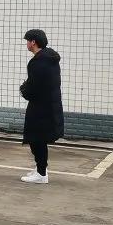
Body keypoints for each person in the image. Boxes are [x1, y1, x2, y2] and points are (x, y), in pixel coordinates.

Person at [19, 28, 65, 184]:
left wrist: (23, 90)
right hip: (49, 105)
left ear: (33, 42)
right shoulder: (50, 59)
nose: (26, 43)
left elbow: (33, 87)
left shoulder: (38, 62)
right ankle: (41, 169)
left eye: (27, 41)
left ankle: (41, 174)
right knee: (39, 139)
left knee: (36, 139)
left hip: (41, 107)